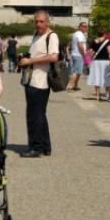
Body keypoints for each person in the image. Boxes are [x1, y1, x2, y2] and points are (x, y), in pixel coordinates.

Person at [18, 10, 59, 158]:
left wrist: (30, 61)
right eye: (36, 22)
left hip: (41, 81)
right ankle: (45, 146)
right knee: (39, 114)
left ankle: (35, 147)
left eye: (41, 21)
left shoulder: (51, 36)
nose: (38, 24)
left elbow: (54, 57)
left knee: (34, 115)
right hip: (31, 79)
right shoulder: (36, 36)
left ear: (48, 21)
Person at [86, 30, 110, 101]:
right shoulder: (107, 41)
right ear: (104, 34)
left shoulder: (93, 42)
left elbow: (91, 53)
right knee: (108, 78)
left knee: (97, 77)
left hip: (96, 62)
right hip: (105, 62)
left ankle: (97, 95)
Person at [66, 21, 88, 92]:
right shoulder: (80, 35)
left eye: (86, 27)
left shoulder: (75, 34)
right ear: (80, 27)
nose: (85, 28)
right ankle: (70, 86)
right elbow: (80, 45)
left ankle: (75, 85)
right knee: (76, 71)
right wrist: (84, 54)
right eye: (84, 26)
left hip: (74, 54)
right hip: (78, 55)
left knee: (78, 71)